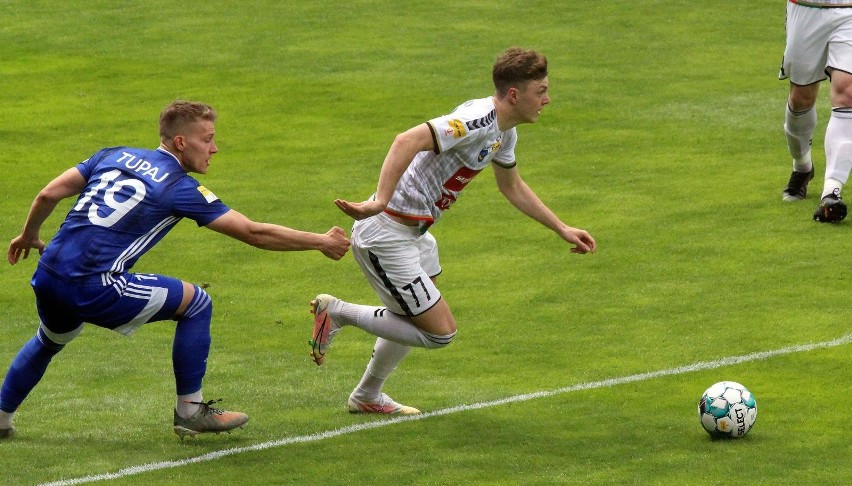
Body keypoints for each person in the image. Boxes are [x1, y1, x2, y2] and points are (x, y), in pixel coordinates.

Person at [0, 100, 350, 440]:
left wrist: (29, 236)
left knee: (50, 340)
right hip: (94, 284)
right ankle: (190, 411)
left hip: (48, 274)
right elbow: (252, 232)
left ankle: (1, 418)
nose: (214, 148)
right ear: (181, 142)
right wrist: (319, 241)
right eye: (207, 139)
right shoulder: (179, 188)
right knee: (196, 303)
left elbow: (47, 195)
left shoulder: (113, 155)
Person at [307, 47, 597, 415]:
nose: (547, 99)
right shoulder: (477, 120)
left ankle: (367, 396)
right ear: (513, 95)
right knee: (439, 332)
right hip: (386, 232)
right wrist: (379, 200)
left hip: (415, 234)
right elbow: (405, 140)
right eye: (540, 91)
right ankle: (340, 313)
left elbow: (512, 186)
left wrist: (561, 227)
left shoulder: (503, 132)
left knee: (412, 316)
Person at [779, 0, 851, 223]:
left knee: (847, 91)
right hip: (807, 7)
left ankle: (831, 191)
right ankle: (802, 167)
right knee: (801, 98)